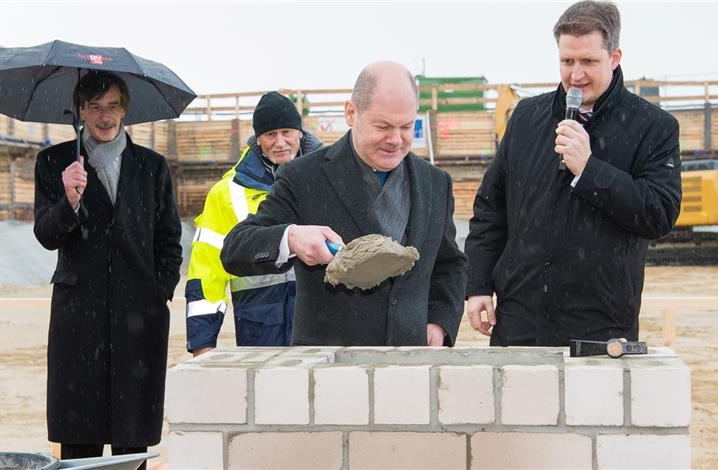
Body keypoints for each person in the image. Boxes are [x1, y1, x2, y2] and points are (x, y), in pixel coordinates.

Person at [464, 0, 682, 346]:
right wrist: (477, 284)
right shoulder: (526, 117)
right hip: (521, 322)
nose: (576, 75)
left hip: (601, 325)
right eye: (567, 61)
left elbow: (660, 214)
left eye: (589, 62)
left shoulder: (653, 128)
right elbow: (491, 208)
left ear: (615, 57)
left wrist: (590, 170)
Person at [221, 61, 467, 347]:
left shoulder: (435, 184)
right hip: (330, 370)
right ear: (351, 113)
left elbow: (449, 264)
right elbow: (235, 249)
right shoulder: (303, 177)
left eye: (406, 126)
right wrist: (292, 237)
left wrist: (439, 322)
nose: (395, 139)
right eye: (383, 126)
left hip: (408, 365)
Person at [33, 71, 182, 466]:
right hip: (78, 319)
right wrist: (69, 200)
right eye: (95, 107)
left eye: (113, 106)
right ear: (80, 110)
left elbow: (169, 239)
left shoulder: (152, 166)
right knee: (79, 440)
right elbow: (46, 235)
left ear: (125, 109)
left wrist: (158, 291)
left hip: (139, 319)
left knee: (133, 439)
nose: (105, 116)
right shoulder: (53, 163)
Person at [185, 91, 323, 355]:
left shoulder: (330, 180)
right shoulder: (227, 194)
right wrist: (202, 341)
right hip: (259, 329)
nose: (280, 142)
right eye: (271, 134)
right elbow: (206, 271)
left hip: (319, 326)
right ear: (258, 140)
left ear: (300, 134)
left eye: (286, 132)